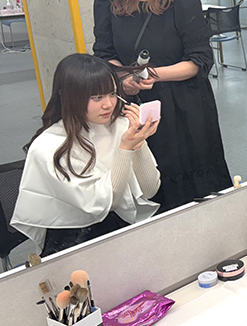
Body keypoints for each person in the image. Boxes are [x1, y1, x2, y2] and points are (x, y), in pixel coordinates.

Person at [93, 0, 231, 212]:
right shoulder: (108, 5)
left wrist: (153, 75)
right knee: (151, 184)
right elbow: (105, 55)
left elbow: (199, 61)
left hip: (185, 107)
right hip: (136, 107)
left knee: (197, 189)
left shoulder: (182, 3)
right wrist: (124, 78)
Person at [11, 54, 160, 256]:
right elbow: (105, 203)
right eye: (97, 97)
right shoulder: (49, 146)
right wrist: (125, 148)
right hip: (73, 240)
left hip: (118, 229)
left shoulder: (120, 126)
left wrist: (138, 143)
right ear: (69, 96)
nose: (108, 104)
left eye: (112, 94)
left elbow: (150, 190)